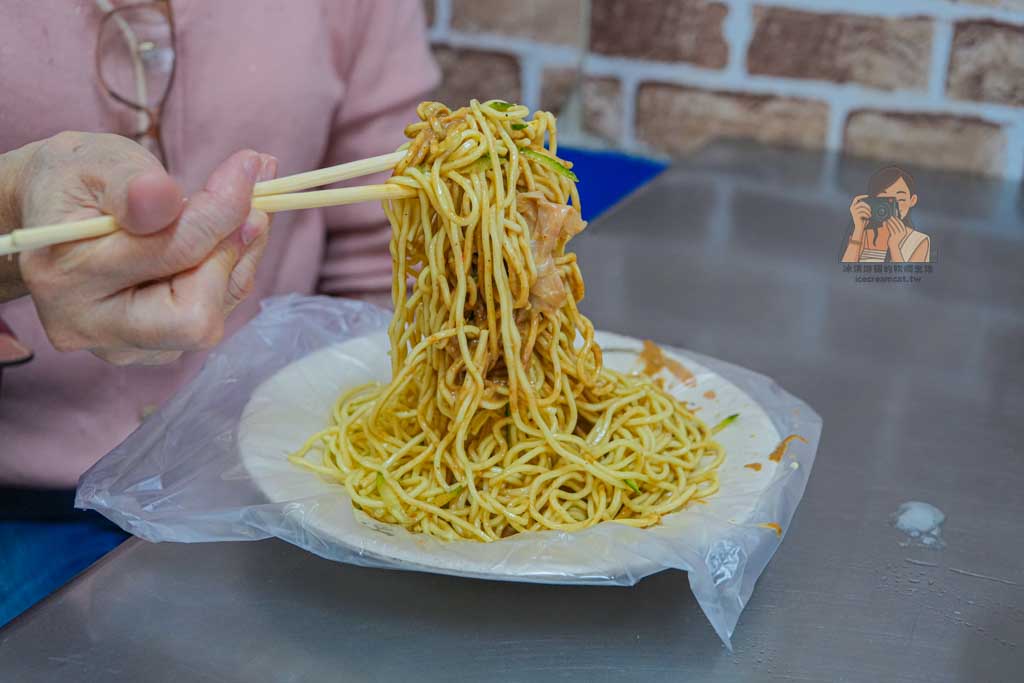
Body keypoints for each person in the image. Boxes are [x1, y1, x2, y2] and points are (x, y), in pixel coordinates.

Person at [0, 0, 438, 624]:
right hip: (17, 513)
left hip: (287, 497)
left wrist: (370, 470)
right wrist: (10, 208)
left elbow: (385, 251)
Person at [842, 166, 931, 264]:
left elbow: (909, 278)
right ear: (872, 200)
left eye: (900, 199)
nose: (894, 207)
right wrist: (858, 228)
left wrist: (894, 246)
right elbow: (845, 269)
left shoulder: (918, 241)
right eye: (885, 200)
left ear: (912, 201)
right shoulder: (860, 233)